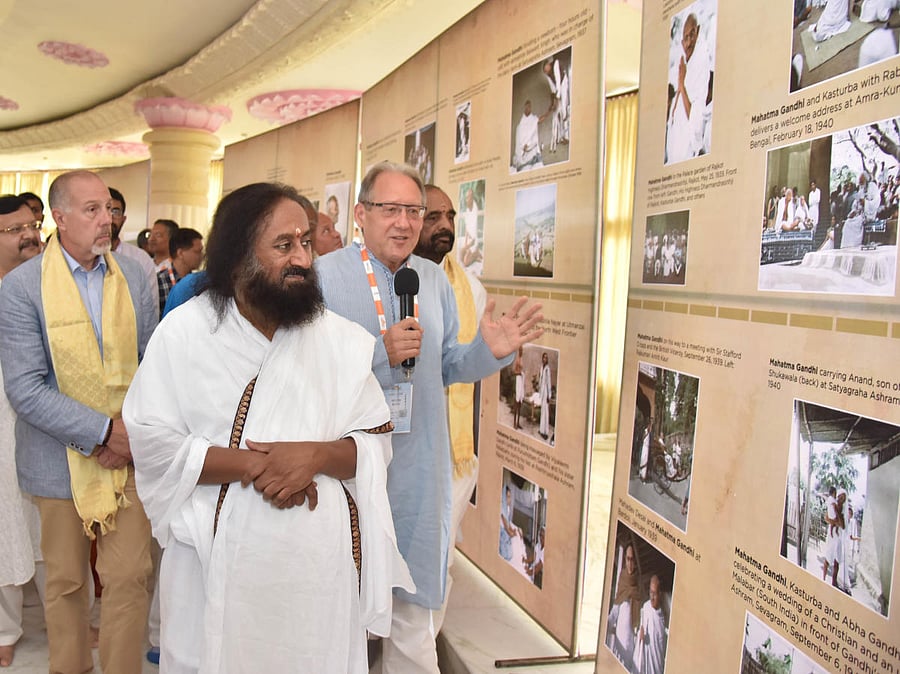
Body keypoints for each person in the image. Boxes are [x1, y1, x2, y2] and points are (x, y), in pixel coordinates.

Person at [122, 182, 412, 674]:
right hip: (212, 570)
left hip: (315, 578)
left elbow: (373, 442)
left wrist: (315, 458)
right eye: (284, 245)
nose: (302, 257)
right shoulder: (187, 333)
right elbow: (152, 441)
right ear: (238, 257)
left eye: (304, 242)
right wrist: (261, 465)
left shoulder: (337, 340)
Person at [315, 161, 542, 673]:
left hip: (418, 472)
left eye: (412, 211)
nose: (403, 222)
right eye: (389, 209)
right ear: (360, 215)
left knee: (414, 621)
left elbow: (448, 366)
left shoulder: (433, 279)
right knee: (339, 618)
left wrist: (491, 350)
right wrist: (378, 353)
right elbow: (305, 374)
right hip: (346, 473)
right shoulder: (324, 279)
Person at [0, 170, 157, 674]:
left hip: (130, 454)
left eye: (108, 209)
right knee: (66, 583)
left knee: (131, 576)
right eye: (91, 210)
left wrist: (127, 435)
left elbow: (154, 365)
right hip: (56, 458)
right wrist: (103, 433)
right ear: (59, 218)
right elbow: (26, 388)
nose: (105, 220)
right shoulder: (22, 287)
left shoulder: (133, 274)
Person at [413, 184, 487, 632]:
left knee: (438, 558)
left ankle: (423, 641)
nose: (444, 226)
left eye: (450, 217)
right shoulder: (390, 281)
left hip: (453, 453)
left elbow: (464, 366)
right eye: (432, 216)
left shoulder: (470, 290)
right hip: (399, 445)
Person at [0, 195, 44, 668]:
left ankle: (67, 616)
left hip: (46, 416)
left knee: (51, 520)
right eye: (14, 229)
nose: (29, 234)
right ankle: (5, 629)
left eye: (32, 224)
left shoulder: (49, 282)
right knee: (5, 518)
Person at [665, 13, 711, 164]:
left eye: (692, 34)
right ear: (681, 42)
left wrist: (681, 86)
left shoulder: (701, 66)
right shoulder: (682, 67)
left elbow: (696, 127)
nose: (690, 41)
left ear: (698, 31)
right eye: (686, 37)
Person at [108, 187, 159, 312]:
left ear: (123, 219)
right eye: (106, 210)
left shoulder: (140, 259)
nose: (109, 218)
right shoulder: (83, 257)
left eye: (115, 211)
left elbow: (151, 309)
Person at [156, 227, 203, 317]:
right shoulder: (159, 281)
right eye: (197, 252)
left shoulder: (198, 282)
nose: (202, 256)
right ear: (180, 253)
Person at [608, 543, 640, 670]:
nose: (630, 563)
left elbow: (640, 620)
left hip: (631, 645)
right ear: (625, 560)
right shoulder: (622, 579)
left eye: (632, 559)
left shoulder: (638, 586)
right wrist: (607, 625)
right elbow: (615, 612)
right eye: (628, 559)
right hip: (619, 642)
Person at [636, 575, 667, 674]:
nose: (652, 597)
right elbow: (641, 628)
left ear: (660, 594)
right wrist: (639, 635)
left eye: (654, 594)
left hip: (657, 665)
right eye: (650, 592)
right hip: (644, 662)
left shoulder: (664, 615)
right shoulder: (646, 607)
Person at [513, 100, 543, 171]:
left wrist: (549, 111)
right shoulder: (521, 123)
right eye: (526, 107)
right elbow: (520, 136)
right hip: (523, 150)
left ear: (530, 108)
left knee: (536, 164)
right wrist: (523, 145)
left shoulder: (533, 118)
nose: (528, 108)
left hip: (531, 147)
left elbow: (539, 120)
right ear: (524, 107)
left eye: (529, 107)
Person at [498, 485, 520, 561]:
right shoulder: (502, 509)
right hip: (502, 531)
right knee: (508, 552)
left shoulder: (507, 508)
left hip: (506, 529)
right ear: (503, 497)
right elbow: (507, 528)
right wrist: (512, 533)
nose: (509, 499)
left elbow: (508, 523)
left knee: (517, 534)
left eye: (510, 497)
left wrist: (513, 530)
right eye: (507, 497)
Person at [538, 352, 552, 441]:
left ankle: (545, 432)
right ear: (542, 358)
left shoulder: (547, 369)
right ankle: (541, 430)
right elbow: (540, 380)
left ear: (547, 359)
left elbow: (548, 383)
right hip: (542, 392)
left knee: (545, 412)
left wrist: (549, 396)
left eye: (546, 358)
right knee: (542, 411)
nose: (544, 359)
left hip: (546, 393)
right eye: (543, 357)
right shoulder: (541, 368)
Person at [513, 346, 525, 430]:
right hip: (518, 380)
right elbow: (514, 371)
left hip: (521, 380)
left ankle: (518, 422)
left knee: (520, 402)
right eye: (520, 350)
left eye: (522, 350)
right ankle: (514, 423)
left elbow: (521, 370)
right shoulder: (517, 360)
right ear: (518, 350)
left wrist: (522, 374)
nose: (521, 351)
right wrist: (519, 374)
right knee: (516, 402)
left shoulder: (521, 359)